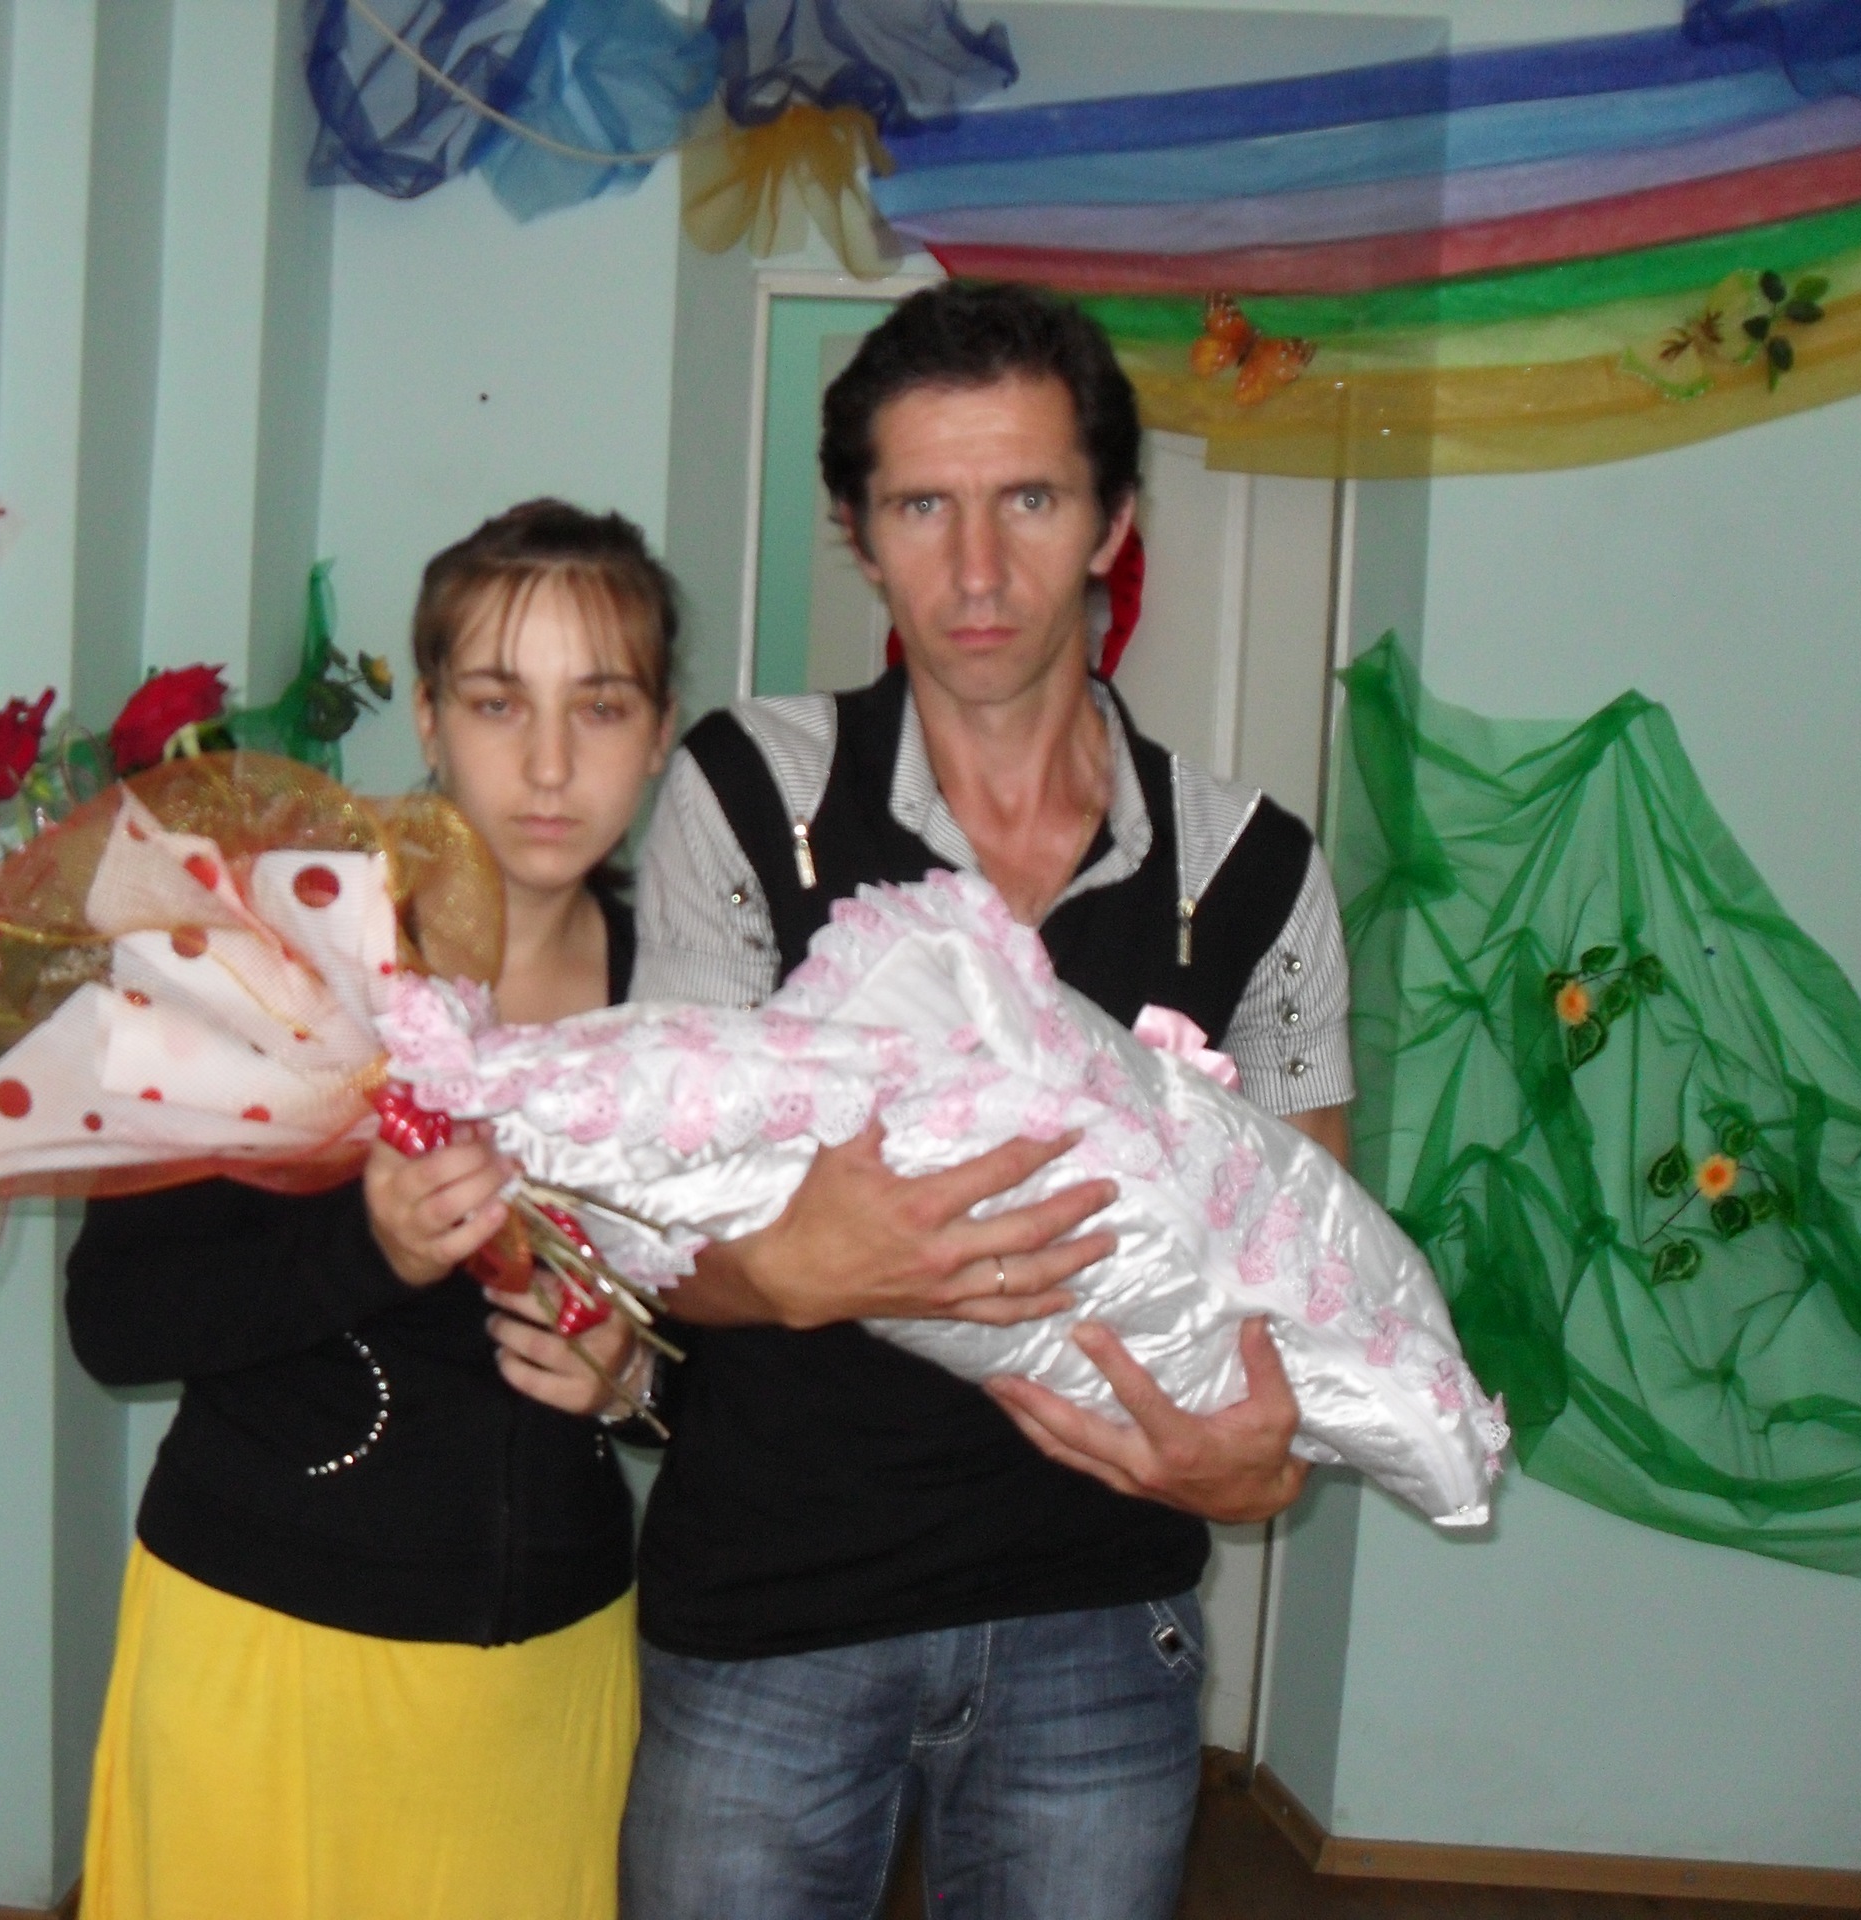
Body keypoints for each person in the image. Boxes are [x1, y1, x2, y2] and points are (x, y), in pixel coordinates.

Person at [618, 282, 1353, 1919]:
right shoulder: (750, 798)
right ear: (857, 533)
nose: (974, 571)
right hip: (772, 1614)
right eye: (920, 507)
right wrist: (792, 1270)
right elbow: (646, 1229)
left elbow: (1314, 1280)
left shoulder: (1257, 872)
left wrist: (1269, 1460)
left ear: (1112, 522)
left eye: (1027, 499)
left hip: (1099, 1620)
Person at [65, 500, 680, 1920]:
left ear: (659, 734)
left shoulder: (694, 998)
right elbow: (117, 1317)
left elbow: (771, 1360)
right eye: (497, 702)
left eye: (599, 707)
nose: (547, 764)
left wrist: (639, 1383)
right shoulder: (267, 960)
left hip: (546, 1679)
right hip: (267, 1652)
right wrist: (370, 1245)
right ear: (429, 719)